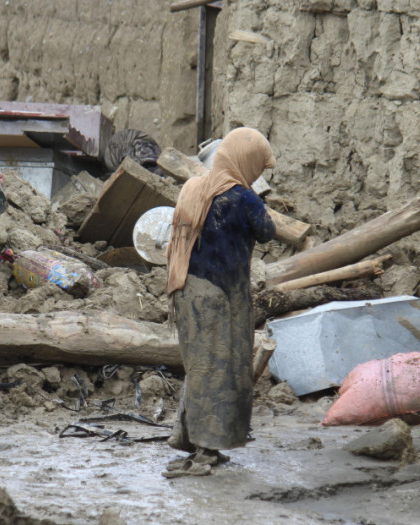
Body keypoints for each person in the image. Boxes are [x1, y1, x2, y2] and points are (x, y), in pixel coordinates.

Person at [163, 127, 276, 478]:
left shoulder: (194, 187)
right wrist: (256, 195)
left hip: (186, 289)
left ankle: (190, 441)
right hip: (220, 297)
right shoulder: (244, 198)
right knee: (218, 372)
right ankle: (204, 451)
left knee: (199, 368)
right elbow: (267, 231)